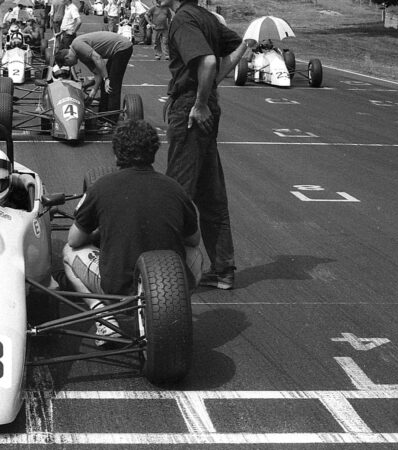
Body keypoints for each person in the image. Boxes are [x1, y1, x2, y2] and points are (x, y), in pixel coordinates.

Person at [62, 120, 202, 345]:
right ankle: (172, 311)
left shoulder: (100, 186)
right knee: (194, 254)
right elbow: (193, 239)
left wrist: (103, 230)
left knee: (68, 252)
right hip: (168, 286)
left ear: (117, 152)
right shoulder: (175, 188)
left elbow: (74, 239)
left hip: (118, 287)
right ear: (154, 151)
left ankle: (105, 319)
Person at [161, 0, 256, 289]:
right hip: (206, 105)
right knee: (211, 195)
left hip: (192, 107)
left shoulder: (182, 20)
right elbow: (241, 46)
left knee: (176, 193)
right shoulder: (207, 17)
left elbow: (210, 61)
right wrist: (210, 88)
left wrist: (200, 102)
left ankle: (166, 271)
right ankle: (223, 269)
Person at [54, 30, 132, 117]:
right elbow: (97, 73)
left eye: (66, 64)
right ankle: (103, 115)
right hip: (116, 49)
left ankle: (112, 120)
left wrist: (106, 78)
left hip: (122, 47)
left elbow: (97, 58)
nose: (70, 66)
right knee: (104, 84)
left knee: (112, 85)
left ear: (67, 58)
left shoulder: (77, 45)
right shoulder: (81, 56)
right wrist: (93, 92)